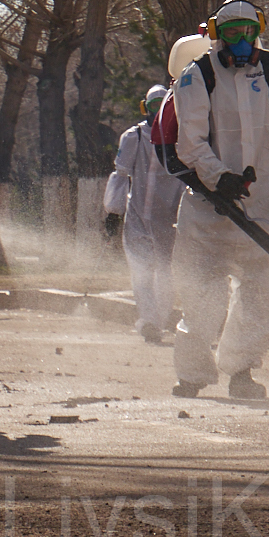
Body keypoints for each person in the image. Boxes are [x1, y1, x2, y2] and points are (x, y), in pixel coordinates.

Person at [169, 0, 269, 400]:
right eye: (231, 33)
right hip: (207, 209)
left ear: (257, 33)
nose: (240, 41)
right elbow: (189, 142)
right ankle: (193, 374)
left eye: (247, 33)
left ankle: (241, 372)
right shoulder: (197, 76)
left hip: (261, 206)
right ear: (217, 35)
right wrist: (220, 178)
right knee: (201, 296)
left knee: (261, 294)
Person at [103, 85, 185, 343]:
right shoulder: (134, 137)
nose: (158, 112)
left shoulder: (182, 140)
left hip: (169, 221)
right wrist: (113, 212)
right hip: (138, 219)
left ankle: (156, 322)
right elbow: (121, 175)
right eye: (153, 106)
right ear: (144, 108)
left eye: (163, 106)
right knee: (141, 272)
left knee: (165, 274)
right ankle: (149, 321)